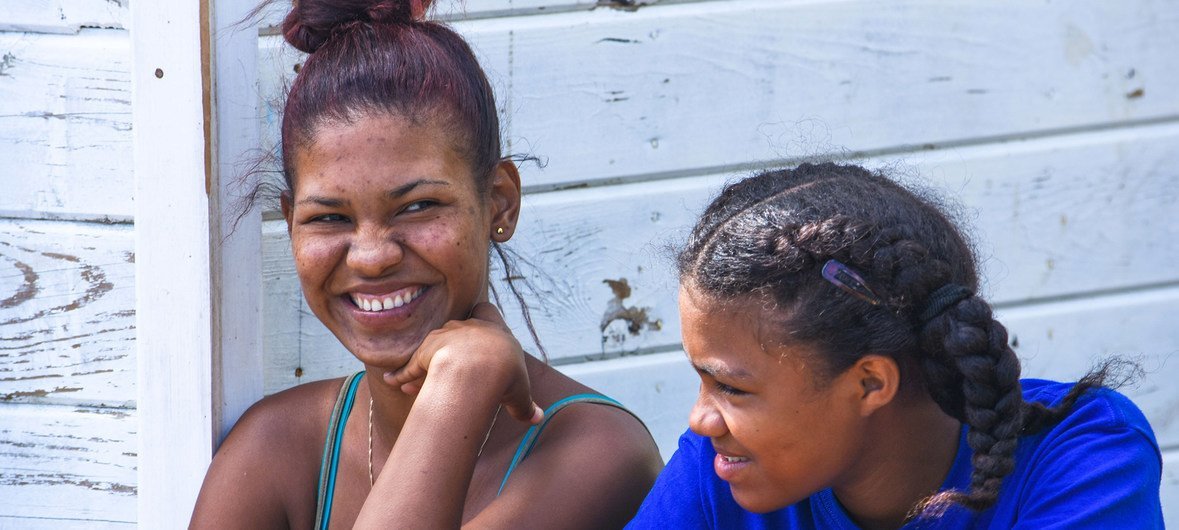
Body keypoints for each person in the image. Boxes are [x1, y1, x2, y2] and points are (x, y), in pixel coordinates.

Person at [190, 1, 662, 528]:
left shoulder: (599, 456)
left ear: (499, 203)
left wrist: (457, 392)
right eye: (329, 217)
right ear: (290, 220)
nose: (371, 256)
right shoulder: (276, 449)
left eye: (418, 207)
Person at [626, 162, 1163, 529]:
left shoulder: (1085, 457)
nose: (701, 420)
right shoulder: (719, 468)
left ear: (871, 383)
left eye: (731, 387)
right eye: (703, 381)